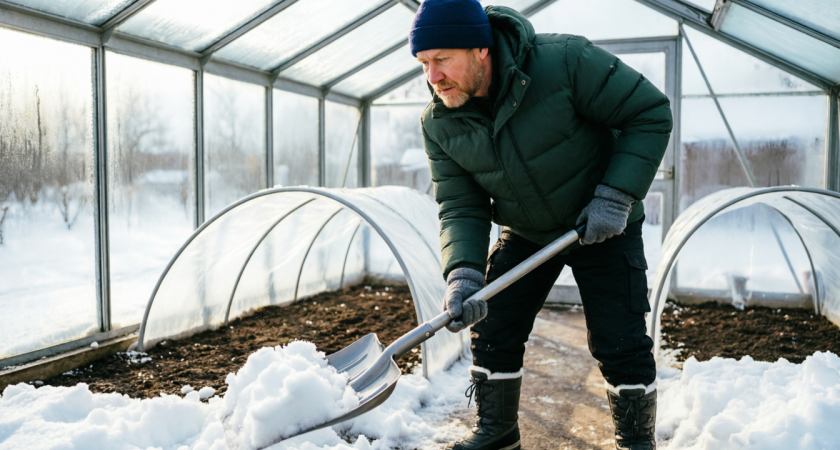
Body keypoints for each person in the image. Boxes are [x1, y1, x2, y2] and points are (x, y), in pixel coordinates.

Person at [410, 1, 673, 449]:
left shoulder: (563, 62)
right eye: (423, 64)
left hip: (603, 221)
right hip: (527, 230)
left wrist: (616, 195)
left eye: (442, 60)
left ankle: (635, 441)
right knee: (494, 327)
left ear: (481, 49)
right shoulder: (439, 123)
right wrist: (464, 273)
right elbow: (460, 203)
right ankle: (498, 433)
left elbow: (648, 112)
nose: (433, 77)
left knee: (620, 339)